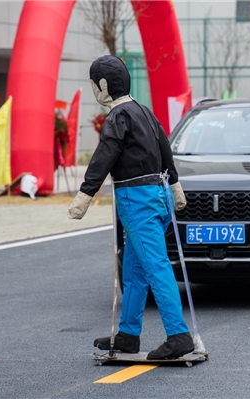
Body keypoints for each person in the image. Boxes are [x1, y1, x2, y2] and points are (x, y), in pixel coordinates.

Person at [68, 55, 194, 360]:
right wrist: (175, 187)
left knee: (155, 266)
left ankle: (179, 336)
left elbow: (105, 153)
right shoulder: (145, 112)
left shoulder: (118, 116)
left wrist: (86, 193)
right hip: (159, 195)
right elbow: (165, 147)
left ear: (102, 86)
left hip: (136, 200)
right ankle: (128, 335)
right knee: (135, 270)